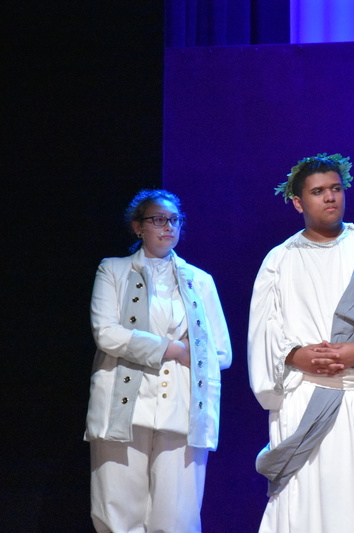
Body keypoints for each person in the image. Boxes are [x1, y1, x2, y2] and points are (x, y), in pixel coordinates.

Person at [247, 153, 354, 533]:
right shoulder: (280, 260)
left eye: (335, 189)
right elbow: (265, 331)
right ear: (298, 202)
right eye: (318, 192)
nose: (330, 197)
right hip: (305, 397)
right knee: (306, 499)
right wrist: (297, 355)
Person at [84, 189, 232, 532]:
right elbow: (107, 333)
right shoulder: (114, 270)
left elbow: (221, 352)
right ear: (139, 227)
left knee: (177, 515)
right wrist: (174, 349)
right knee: (118, 509)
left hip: (182, 406)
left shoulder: (200, 281)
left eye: (174, 220)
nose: (168, 226)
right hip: (124, 405)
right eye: (158, 219)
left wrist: (189, 349)